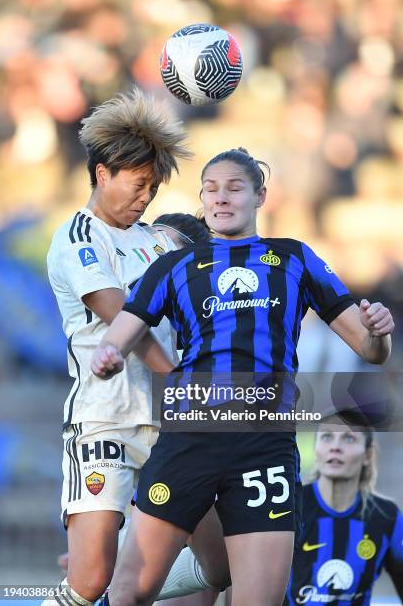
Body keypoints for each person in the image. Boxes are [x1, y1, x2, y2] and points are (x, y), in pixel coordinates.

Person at [91, 147, 394, 606]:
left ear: (260, 196)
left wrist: (380, 332)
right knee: (129, 592)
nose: (222, 198)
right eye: (211, 190)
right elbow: (121, 335)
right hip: (190, 439)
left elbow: (370, 349)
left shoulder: (294, 258)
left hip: (263, 445)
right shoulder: (174, 267)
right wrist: (109, 356)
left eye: (235, 188)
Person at [46, 88, 225, 606]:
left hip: (171, 426)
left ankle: (132, 579)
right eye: (139, 184)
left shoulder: (158, 240)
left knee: (222, 564)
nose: (146, 197)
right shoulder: (78, 237)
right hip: (107, 422)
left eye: (154, 187)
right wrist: (175, 377)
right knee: (88, 581)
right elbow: (124, 317)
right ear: (103, 173)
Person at [284, 414, 403, 605]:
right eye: (327, 437)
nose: (335, 447)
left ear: (368, 455)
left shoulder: (387, 516)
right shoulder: (288, 506)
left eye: (349, 438)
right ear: (316, 449)